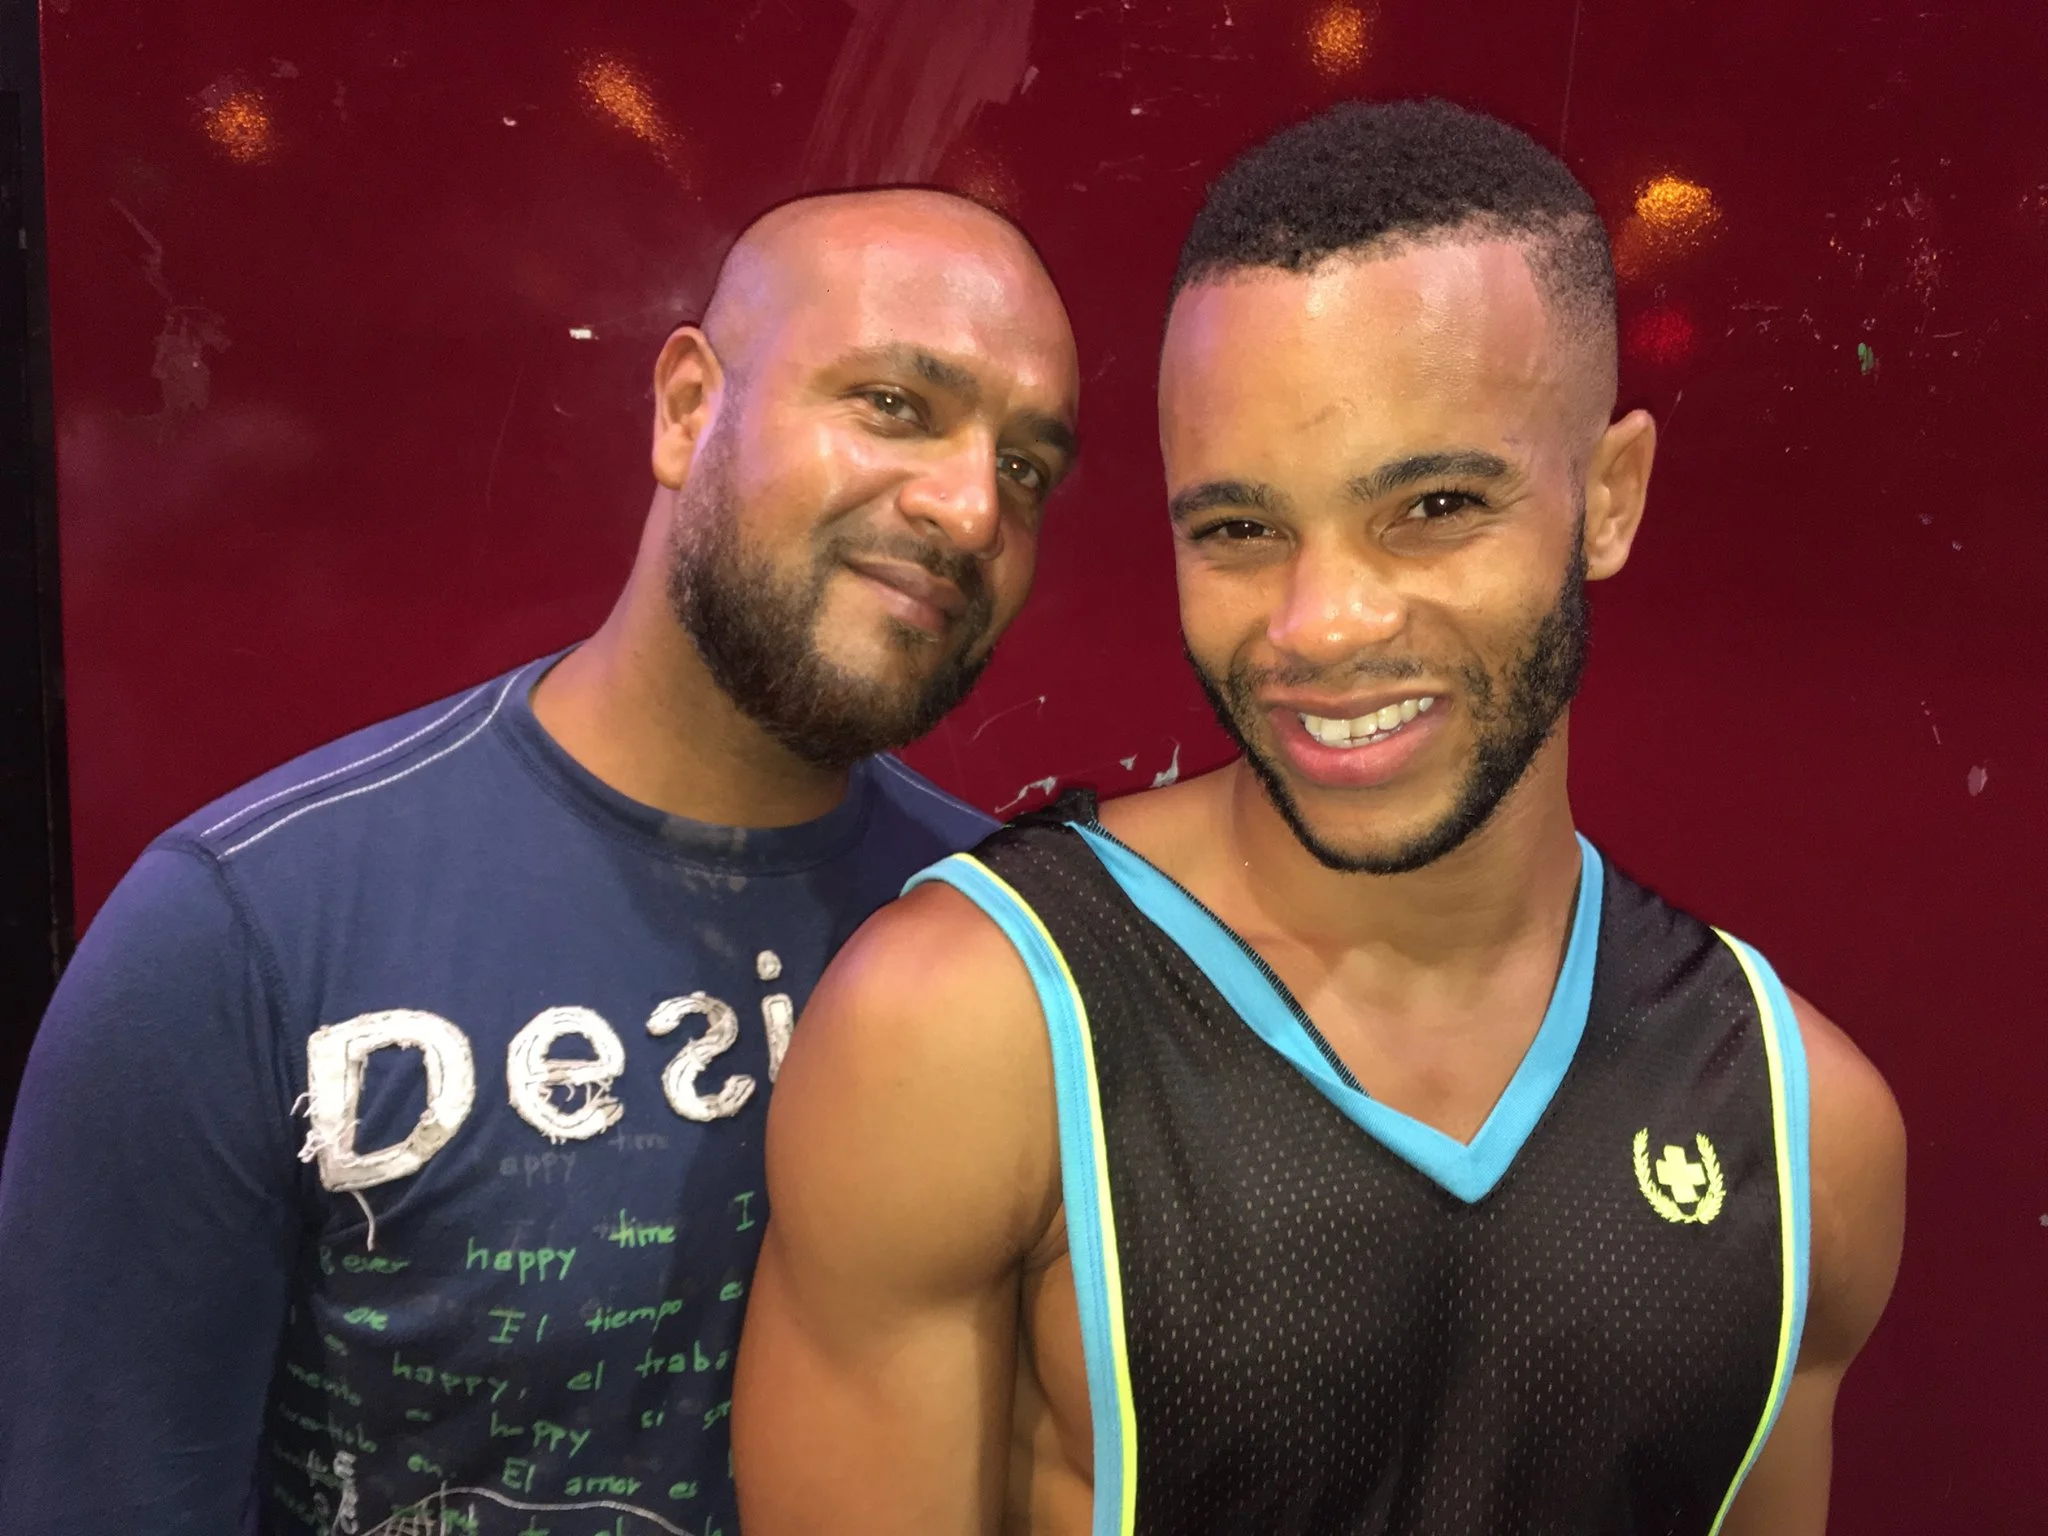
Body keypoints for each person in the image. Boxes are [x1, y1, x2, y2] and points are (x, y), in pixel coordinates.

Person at [733, 103, 1906, 1535]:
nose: (1324, 624)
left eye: (1436, 504)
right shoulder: (963, 1031)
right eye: (1241, 530)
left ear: (1608, 499)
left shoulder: (1805, 1127)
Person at [0, 187, 1079, 1536]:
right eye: (896, 406)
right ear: (689, 409)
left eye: (1026, 468)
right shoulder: (243, 938)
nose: (972, 511)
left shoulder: (1018, 940)